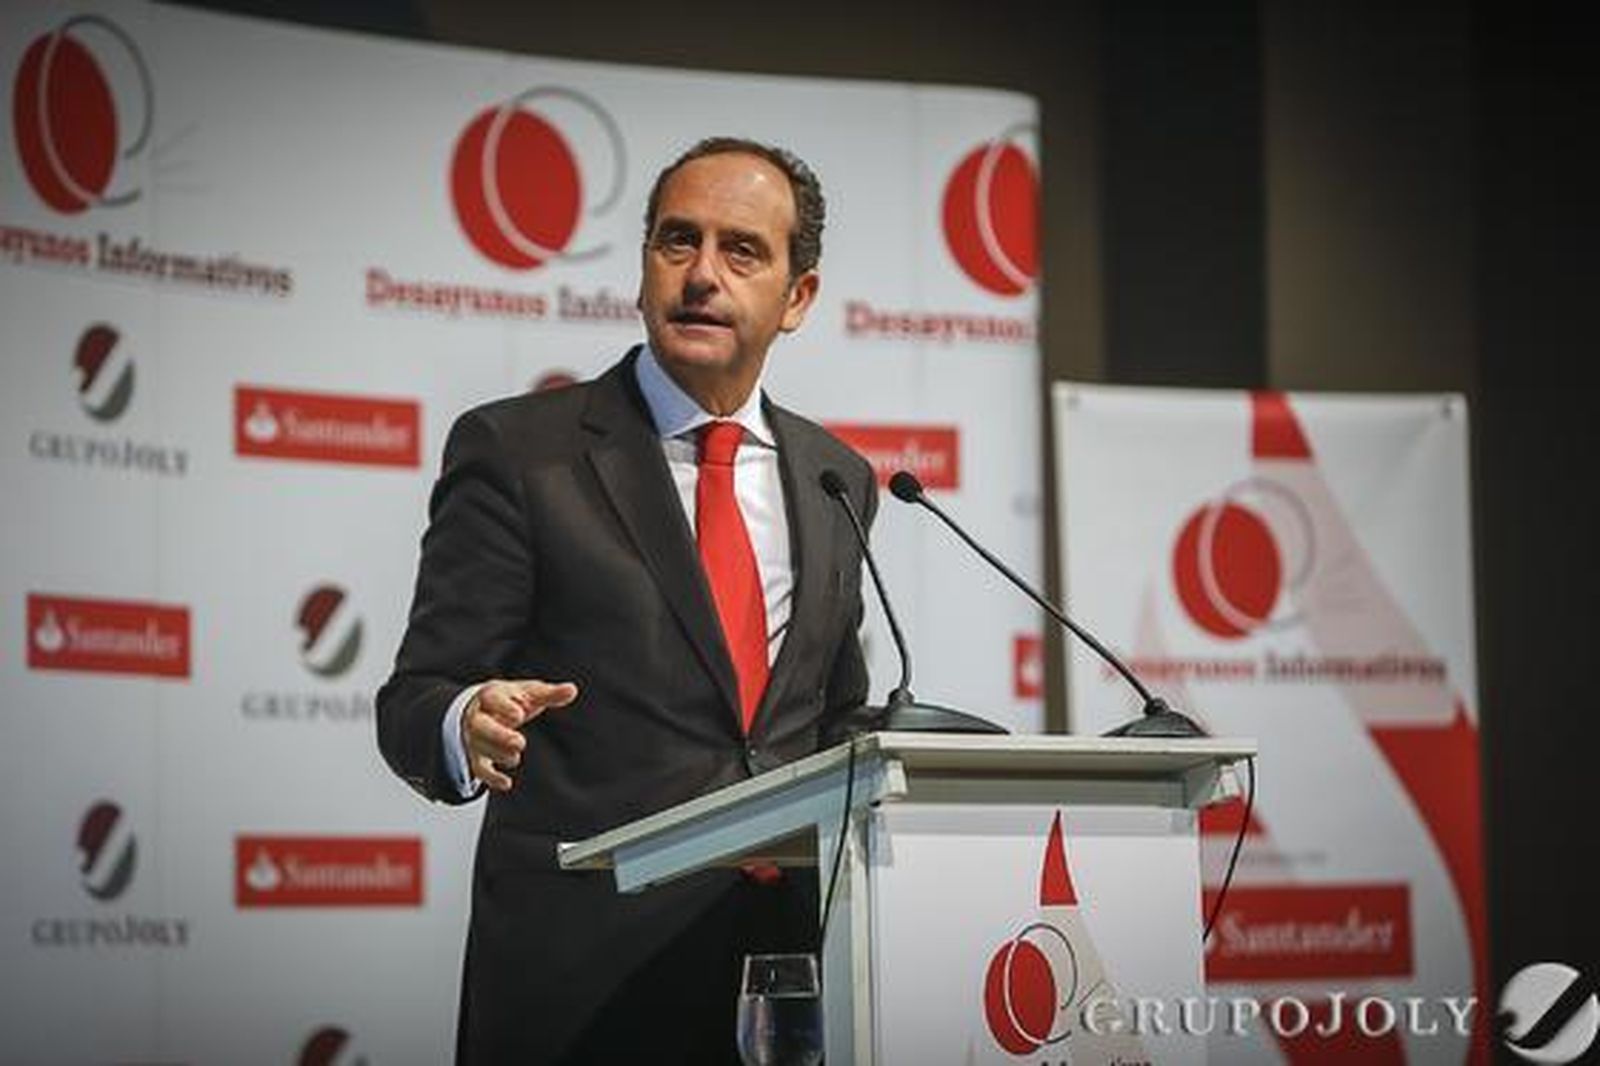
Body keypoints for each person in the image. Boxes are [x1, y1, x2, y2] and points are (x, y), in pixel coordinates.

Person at [376, 136, 877, 1064]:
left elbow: (830, 715)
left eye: (742, 250)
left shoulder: (836, 478)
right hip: (583, 978)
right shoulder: (521, 453)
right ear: (644, 264)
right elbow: (415, 699)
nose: (702, 274)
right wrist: (464, 720)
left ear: (798, 297)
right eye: (678, 240)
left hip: (785, 976)